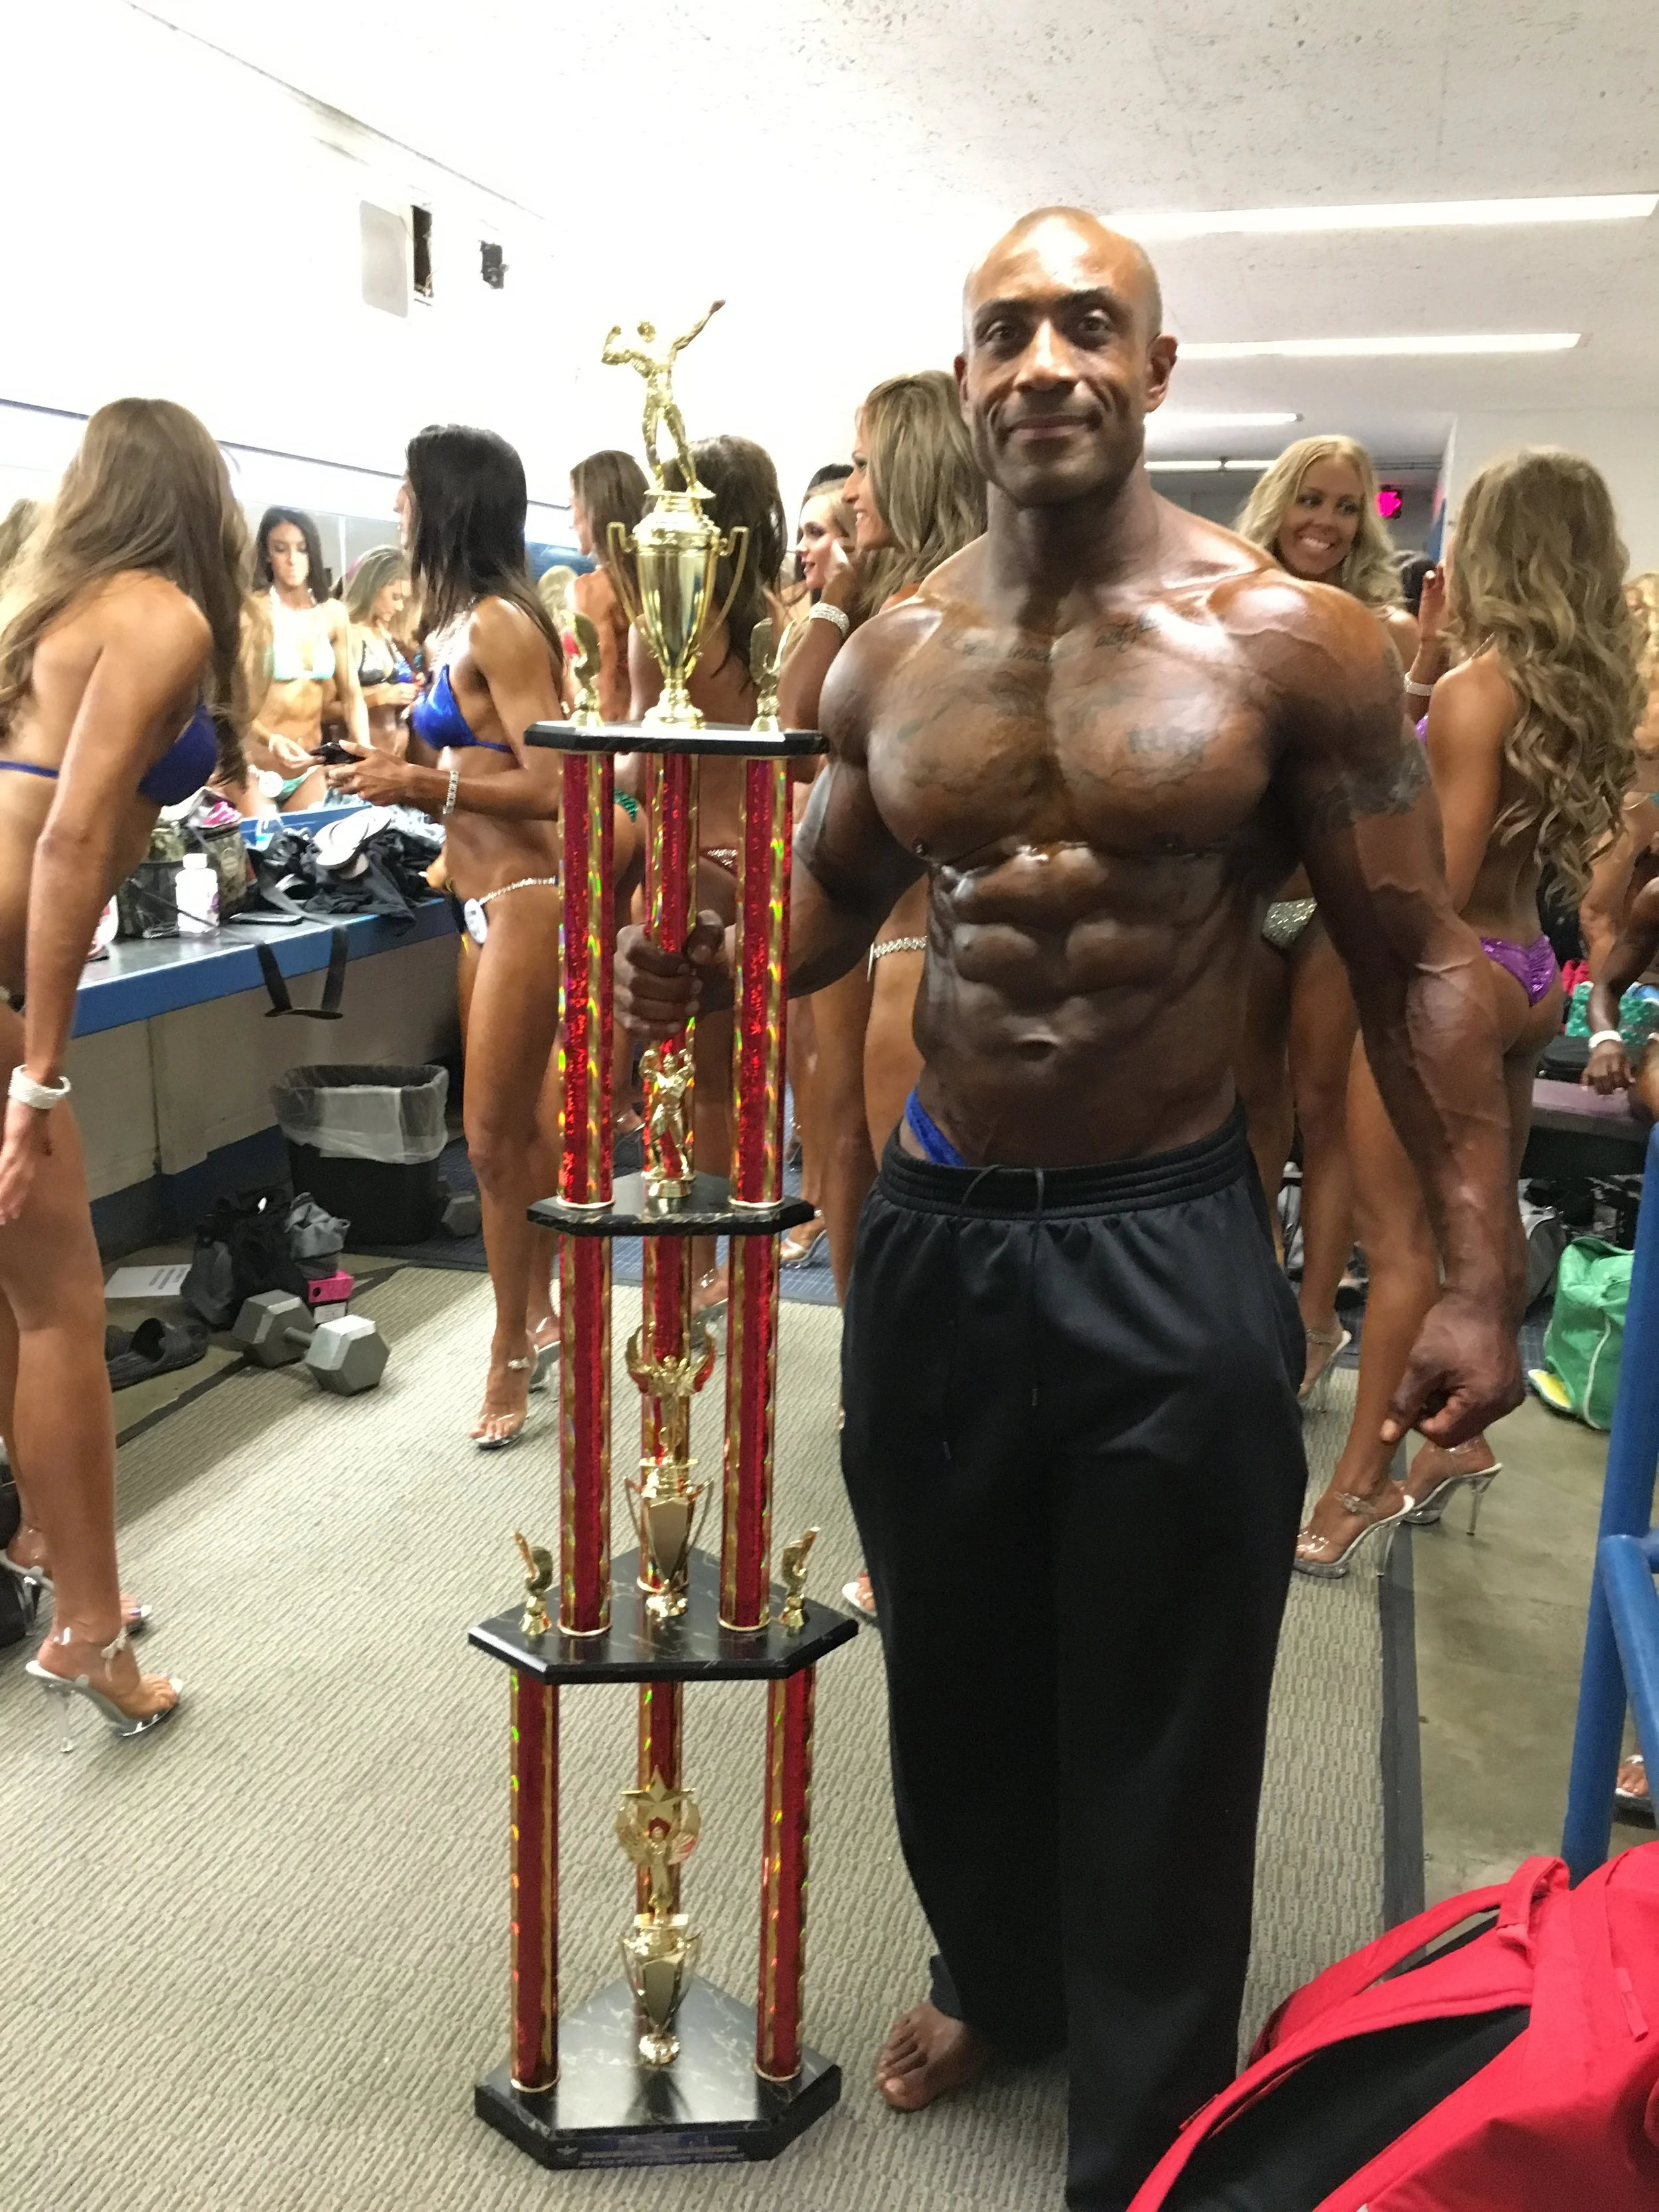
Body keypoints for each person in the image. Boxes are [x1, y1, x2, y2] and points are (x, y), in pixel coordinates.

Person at [616, 207, 1525, 2211]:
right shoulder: (891, 651)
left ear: (1152, 367)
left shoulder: (1287, 643)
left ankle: (1137, 2119)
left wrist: (1475, 1265)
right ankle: (1003, 1977)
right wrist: (702, 950)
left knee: (1165, 1704)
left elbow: (1417, 966)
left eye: (1082, 325)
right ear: (963, 380)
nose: (1041, 359)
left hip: (1162, 1226)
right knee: (949, 1665)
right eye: (1003, 329)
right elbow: (827, 916)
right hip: (941, 1237)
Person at [1298, 447, 1641, 1578]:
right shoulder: (1584, 692)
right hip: (1532, 977)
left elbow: (1428, 885)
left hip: (1448, 981)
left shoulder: (1475, 691)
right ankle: (1459, 1445)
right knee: (1470, 1239)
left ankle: (1355, 1490)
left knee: (1398, 1247)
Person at [0, 398, 250, 1738]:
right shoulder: (160, 614)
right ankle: (90, 1632)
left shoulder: (45, 606)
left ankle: (47, 1544)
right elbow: (73, 840)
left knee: (15, 1296)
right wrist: (39, 1076)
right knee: (61, 1307)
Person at [326, 425, 569, 1447]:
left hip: (527, 897)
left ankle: (510, 1346)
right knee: (509, 1135)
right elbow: (449, 767)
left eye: (411, 490)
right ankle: (542, 1312)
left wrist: (423, 780)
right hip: (473, 904)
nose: (397, 506)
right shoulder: (453, 627)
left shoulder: (507, 627)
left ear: (450, 503)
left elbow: (556, 783)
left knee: (489, 1139)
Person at [1232, 437, 1419, 1404]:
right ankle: (1251, 1302)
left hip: (1333, 903)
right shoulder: (1237, 608)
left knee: (1326, 1114)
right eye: (1311, 499)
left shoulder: (1384, 631)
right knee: (1252, 1105)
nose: (1327, 522)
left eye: (1348, 507)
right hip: (1251, 894)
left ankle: (1313, 1323)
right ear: (1279, 501)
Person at [624, 432, 789, 1313]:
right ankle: (729, 1256)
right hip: (760, 858)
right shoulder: (776, 619)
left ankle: (683, 1268)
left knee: (676, 1071)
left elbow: (645, 762)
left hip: (685, 864)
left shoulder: (668, 628)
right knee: (742, 1076)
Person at [238, 506, 366, 812]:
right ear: (267, 555)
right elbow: (233, 702)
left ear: (313, 553)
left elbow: (352, 696)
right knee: (266, 851)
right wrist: (270, 740)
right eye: (280, 549)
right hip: (256, 766)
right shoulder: (253, 614)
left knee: (312, 850)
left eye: (301, 549)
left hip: (311, 765)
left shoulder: (333, 614)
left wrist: (364, 750)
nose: (292, 559)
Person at [569, 447, 650, 723]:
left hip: (612, 739)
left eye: (573, 507)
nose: (571, 523)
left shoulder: (593, 590)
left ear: (595, 510)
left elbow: (599, 689)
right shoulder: (661, 583)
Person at [340, 544, 418, 755]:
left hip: (395, 757)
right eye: (395, 597)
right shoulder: (350, 635)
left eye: (404, 599)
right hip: (360, 758)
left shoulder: (388, 636)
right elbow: (324, 709)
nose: (400, 607)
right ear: (373, 588)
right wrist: (381, 697)